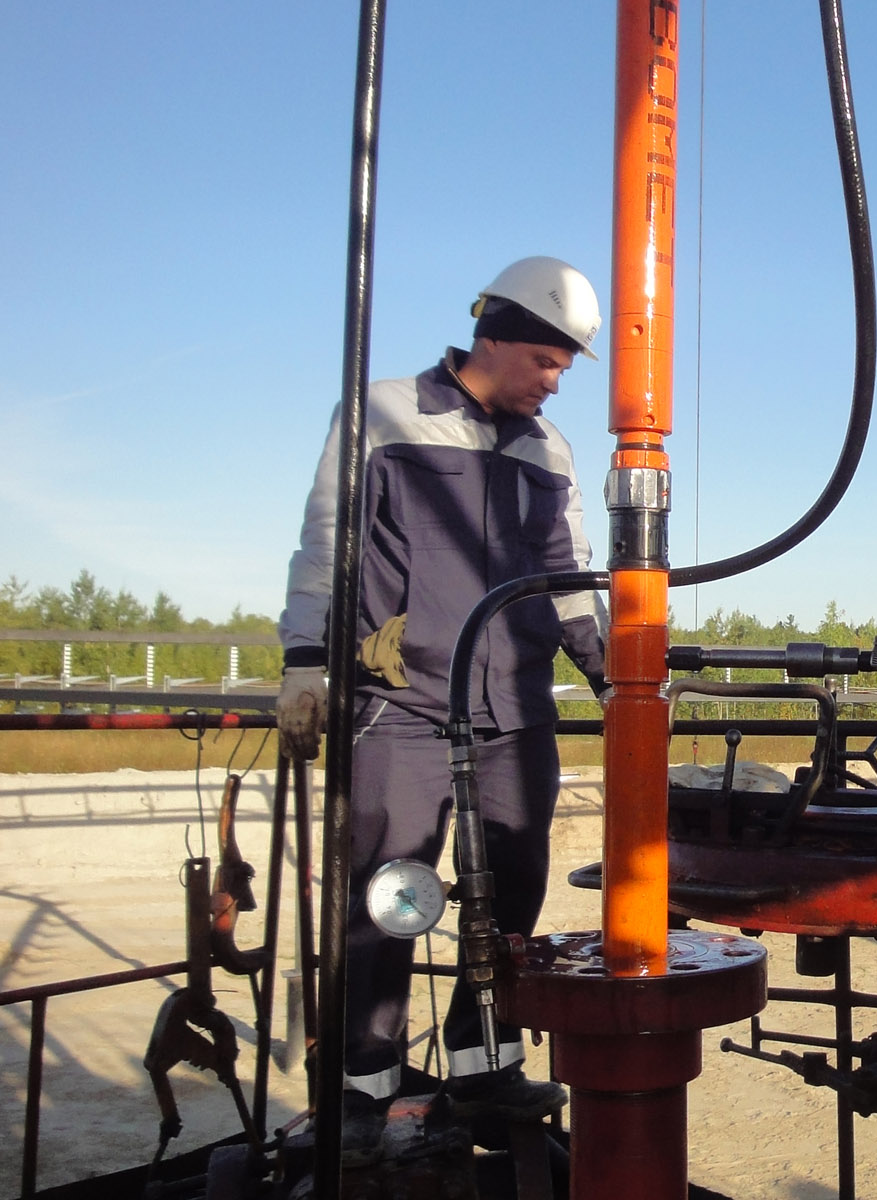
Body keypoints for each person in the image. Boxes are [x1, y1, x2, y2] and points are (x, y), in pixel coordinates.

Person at [275, 256, 609, 1150]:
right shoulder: (383, 415)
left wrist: (617, 678)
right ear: (493, 334)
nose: (555, 381)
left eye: (568, 367)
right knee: (388, 891)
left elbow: (572, 586)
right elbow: (327, 544)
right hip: (403, 701)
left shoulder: (550, 452)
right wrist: (306, 661)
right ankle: (358, 1087)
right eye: (547, 361)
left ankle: (484, 1065)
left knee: (512, 889)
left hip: (517, 710)